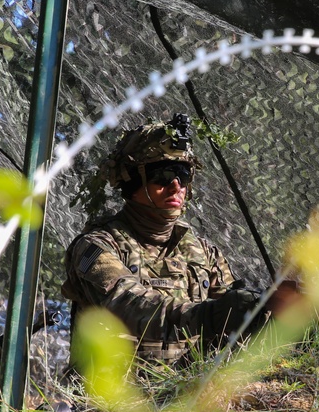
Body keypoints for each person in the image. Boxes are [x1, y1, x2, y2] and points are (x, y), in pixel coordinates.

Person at [61, 113, 264, 362]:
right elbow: (126, 305)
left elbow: (234, 317)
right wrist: (207, 316)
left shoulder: (202, 253)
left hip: (185, 395)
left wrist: (269, 312)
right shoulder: (96, 247)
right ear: (133, 183)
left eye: (184, 175)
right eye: (163, 176)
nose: (176, 186)